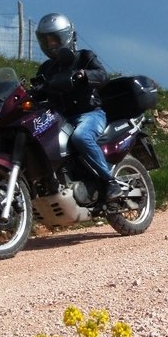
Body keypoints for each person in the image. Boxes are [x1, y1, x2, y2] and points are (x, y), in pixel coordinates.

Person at [33, 13, 125, 201]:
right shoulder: (46, 69)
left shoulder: (84, 57)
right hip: (61, 120)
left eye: (55, 39)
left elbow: (103, 75)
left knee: (81, 136)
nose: (51, 45)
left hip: (90, 114)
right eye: (46, 41)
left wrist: (84, 74)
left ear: (67, 37)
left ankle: (110, 182)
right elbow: (38, 89)